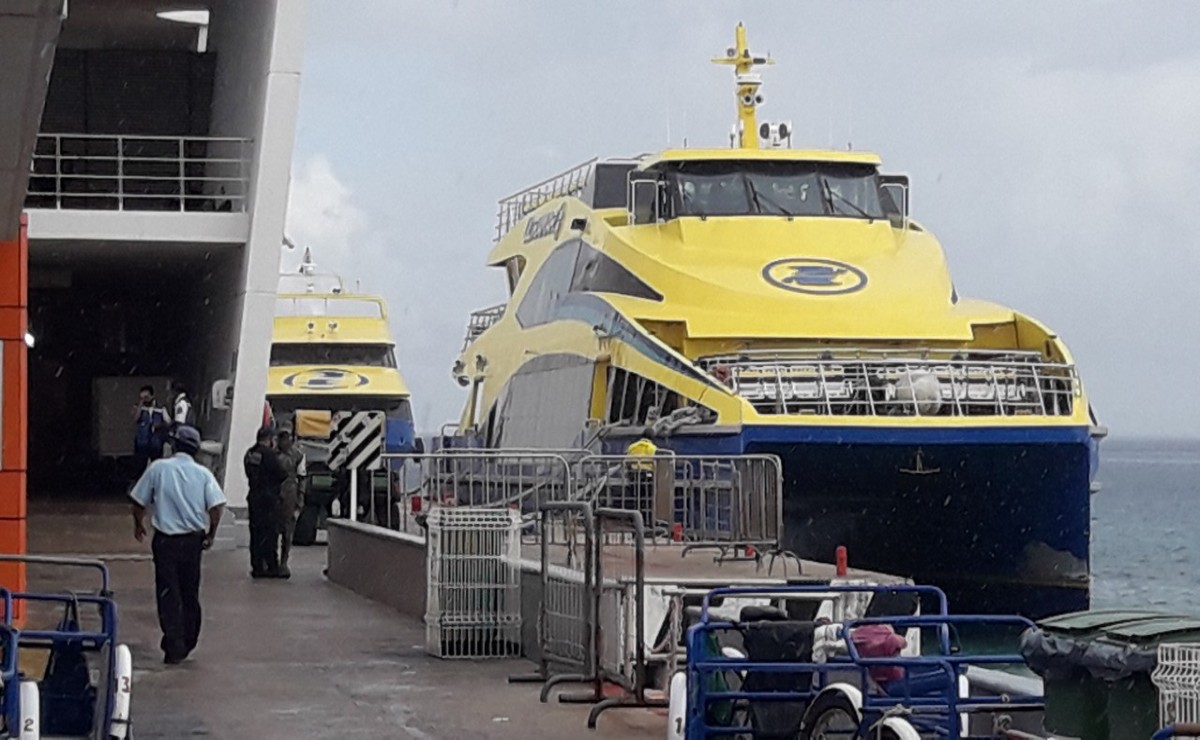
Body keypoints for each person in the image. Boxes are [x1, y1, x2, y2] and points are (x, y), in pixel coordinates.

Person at [129, 425, 225, 665]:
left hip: (165, 541)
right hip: (193, 541)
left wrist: (138, 524)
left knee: (168, 592)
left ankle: (174, 643)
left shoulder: (158, 468)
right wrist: (211, 534)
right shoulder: (203, 474)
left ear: (174, 445)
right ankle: (188, 639)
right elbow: (216, 508)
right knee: (189, 591)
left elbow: (138, 500)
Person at [244, 426, 286, 579]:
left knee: (255, 533)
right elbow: (282, 474)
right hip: (268, 499)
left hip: (254, 497)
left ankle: (257, 566)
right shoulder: (269, 455)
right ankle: (271, 567)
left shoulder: (250, 453)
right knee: (270, 533)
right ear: (269, 439)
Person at [275, 430, 307, 577]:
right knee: (274, 530)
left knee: (288, 532)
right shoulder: (273, 453)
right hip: (276, 493)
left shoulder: (298, 456)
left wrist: (300, 500)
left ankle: (283, 562)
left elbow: (302, 478)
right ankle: (274, 561)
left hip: (290, 494)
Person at [132, 385, 169, 478]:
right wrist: (140, 405)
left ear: (152, 396)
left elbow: (168, 422)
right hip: (142, 442)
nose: (145, 400)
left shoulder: (161, 408)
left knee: (156, 466)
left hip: (156, 442)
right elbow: (135, 419)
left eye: (146, 397)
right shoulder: (138, 407)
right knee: (140, 466)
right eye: (142, 398)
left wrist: (159, 426)